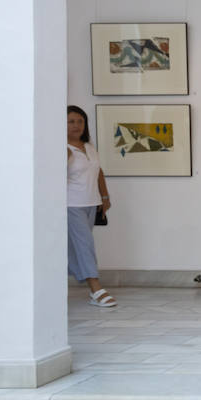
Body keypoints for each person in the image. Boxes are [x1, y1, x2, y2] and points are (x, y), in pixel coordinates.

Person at [66, 105, 115, 309]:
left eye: (80, 121)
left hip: (90, 203)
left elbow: (98, 172)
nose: (76, 125)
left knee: (73, 248)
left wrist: (104, 196)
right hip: (71, 205)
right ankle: (95, 288)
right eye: (71, 121)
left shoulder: (89, 147)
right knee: (85, 246)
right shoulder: (64, 149)